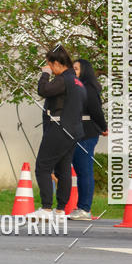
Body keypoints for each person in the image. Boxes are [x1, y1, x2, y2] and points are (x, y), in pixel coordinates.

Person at [32, 46, 86, 220]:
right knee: (63, 169)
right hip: (74, 130)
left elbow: (43, 90)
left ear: (55, 63)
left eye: (49, 65)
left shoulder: (64, 79)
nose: (49, 68)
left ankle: (46, 208)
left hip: (60, 127)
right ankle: (61, 210)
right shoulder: (77, 82)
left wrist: (45, 74)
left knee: (43, 166)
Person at [69, 59, 108, 220]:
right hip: (76, 132)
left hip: (87, 133)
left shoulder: (88, 89)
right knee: (79, 170)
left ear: (84, 71)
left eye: (76, 69)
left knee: (84, 170)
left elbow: (96, 111)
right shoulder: (75, 87)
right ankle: (80, 207)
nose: (73, 71)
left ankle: (85, 208)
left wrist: (104, 127)